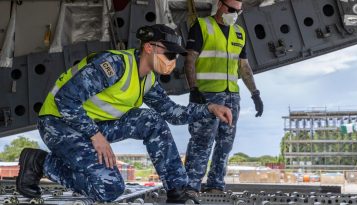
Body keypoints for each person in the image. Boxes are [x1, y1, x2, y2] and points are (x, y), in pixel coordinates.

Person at [16, 24, 233, 203]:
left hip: (91, 125)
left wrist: (209, 108)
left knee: (151, 120)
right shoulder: (114, 65)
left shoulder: (148, 80)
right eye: (169, 54)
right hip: (59, 123)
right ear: (149, 47)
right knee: (109, 188)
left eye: (175, 56)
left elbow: (172, 113)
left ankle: (177, 190)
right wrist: (95, 135)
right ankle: (40, 162)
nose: (173, 61)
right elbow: (66, 99)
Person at [184, 0, 264, 193]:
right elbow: (189, 60)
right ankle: (190, 186)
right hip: (207, 96)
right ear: (220, 5)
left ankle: (215, 185)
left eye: (238, 11)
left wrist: (255, 94)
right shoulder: (202, 26)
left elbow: (243, 66)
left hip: (232, 96)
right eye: (231, 9)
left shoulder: (239, 33)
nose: (234, 13)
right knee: (201, 141)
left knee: (225, 143)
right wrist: (193, 89)